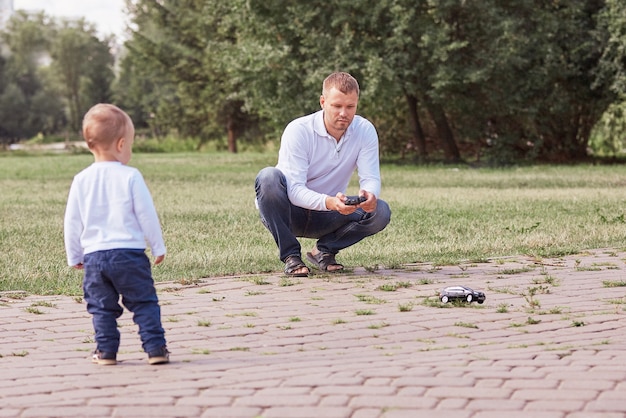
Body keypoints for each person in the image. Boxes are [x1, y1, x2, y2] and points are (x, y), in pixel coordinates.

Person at [255, 72, 391, 276]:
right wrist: (328, 202)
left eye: (350, 106)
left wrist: (369, 195)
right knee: (268, 177)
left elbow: (370, 177)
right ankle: (291, 257)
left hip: (330, 214)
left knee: (380, 211)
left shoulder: (365, 130)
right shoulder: (298, 130)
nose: (343, 113)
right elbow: (294, 190)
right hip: (289, 213)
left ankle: (323, 251)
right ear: (323, 102)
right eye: (337, 106)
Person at [64, 103, 169, 365]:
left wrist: (73, 255)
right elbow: (147, 214)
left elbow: (72, 222)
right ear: (121, 144)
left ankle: (106, 352)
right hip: (129, 255)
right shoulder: (131, 176)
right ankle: (155, 349)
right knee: (144, 302)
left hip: (95, 258)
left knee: (101, 308)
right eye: (131, 145)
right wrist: (157, 246)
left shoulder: (81, 179)